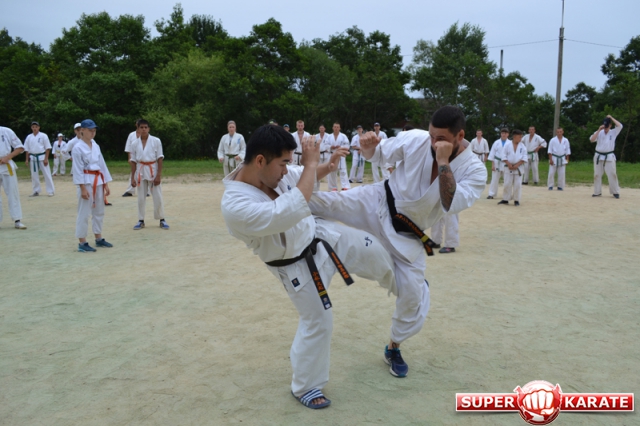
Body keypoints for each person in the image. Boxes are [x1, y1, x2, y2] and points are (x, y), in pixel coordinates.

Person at [220, 125, 396, 409]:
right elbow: (284, 212)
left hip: (320, 237)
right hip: (295, 268)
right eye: (283, 163)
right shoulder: (235, 204)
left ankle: (401, 285)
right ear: (260, 160)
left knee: (373, 250)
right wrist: (312, 163)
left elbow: (301, 177)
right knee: (319, 321)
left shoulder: (272, 173)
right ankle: (305, 386)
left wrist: (327, 166)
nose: (285, 170)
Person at [308, 106, 487, 378]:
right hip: (378, 202)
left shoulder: (474, 170)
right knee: (324, 203)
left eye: (440, 138)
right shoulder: (416, 139)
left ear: (460, 136)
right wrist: (369, 148)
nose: (433, 143)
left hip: (408, 234)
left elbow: (450, 203)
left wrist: (443, 162)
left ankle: (393, 347)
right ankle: (271, 193)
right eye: (431, 135)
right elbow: (379, 155)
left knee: (412, 298)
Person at [71, 119, 113, 252]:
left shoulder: (95, 145)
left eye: (94, 130)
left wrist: (105, 183)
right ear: (82, 130)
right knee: (84, 212)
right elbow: (77, 170)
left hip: (98, 180)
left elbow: (102, 165)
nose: (92, 133)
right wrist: (82, 188)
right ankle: (82, 242)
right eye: (90, 130)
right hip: (86, 181)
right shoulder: (77, 148)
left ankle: (98, 238)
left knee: (99, 211)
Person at [129, 120, 169, 230]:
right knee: (141, 198)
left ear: (149, 129)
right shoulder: (134, 143)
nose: (143, 129)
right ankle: (141, 220)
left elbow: (160, 158)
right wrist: (132, 178)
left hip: (153, 170)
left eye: (145, 127)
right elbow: (133, 161)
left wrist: (158, 175)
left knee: (157, 196)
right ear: (138, 129)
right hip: (140, 170)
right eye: (141, 127)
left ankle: (162, 219)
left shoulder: (156, 141)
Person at [0, 126, 27, 229]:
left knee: (12, 193)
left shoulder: (6, 131)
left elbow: (20, 148)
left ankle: (17, 220)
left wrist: (8, 157)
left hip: (6, 166)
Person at [590, 115, 622, 198]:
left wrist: (611, 118)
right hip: (598, 155)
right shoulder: (599, 132)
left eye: (607, 126)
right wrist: (598, 130)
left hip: (609, 155)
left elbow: (620, 125)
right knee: (597, 174)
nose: (605, 128)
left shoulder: (613, 132)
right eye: (604, 126)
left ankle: (615, 191)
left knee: (612, 174)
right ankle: (597, 192)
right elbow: (592, 140)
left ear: (610, 125)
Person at [23, 121, 55, 197]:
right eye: (33, 127)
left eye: (36, 127)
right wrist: (27, 159)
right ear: (31, 128)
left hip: (42, 157)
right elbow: (27, 149)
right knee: (34, 176)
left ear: (39, 127)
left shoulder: (43, 136)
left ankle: (50, 191)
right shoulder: (29, 137)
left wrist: (46, 159)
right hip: (33, 158)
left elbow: (47, 148)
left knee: (47, 174)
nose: (35, 128)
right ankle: (36, 190)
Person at [498, 129, 527, 206]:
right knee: (507, 183)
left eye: (521, 137)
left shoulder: (522, 146)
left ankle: (516, 200)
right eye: (519, 137)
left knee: (517, 184)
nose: (520, 138)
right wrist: (508, 164)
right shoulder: (507, 145)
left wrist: (517, 164)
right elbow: (503, 155)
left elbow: (524, 157)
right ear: (514, 137)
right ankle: (505, 199)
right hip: (508, 167)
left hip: (518, 167)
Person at [325, 123, 351, 191]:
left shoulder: (343, 136)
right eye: (335, 127)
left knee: (343, 170)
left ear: (339, 128)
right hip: (332, 155)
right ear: (333, 128)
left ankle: (345, 186)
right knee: (332, 171)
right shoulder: (329, 136)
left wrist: (341, 147)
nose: (336, 128)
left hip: (341, 155)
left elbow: (347, 145)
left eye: (337, 127)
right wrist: (331, 147)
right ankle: (333, 187)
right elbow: (325, 145)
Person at [487, 128, 509, 199]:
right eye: (502, 133)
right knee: (494, 179)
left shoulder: (510, 143)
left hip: (506, 163)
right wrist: (493, 165)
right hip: (497, 162)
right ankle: (491, 194)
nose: (503, 135)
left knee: (507, 180)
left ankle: (506, 195)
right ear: (500, 134)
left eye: (505, 133)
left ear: (507, 134)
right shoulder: (496, 142)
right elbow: (492, 154)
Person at [122, 121, 142, 197]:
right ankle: (130, 191)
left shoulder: (145, 134)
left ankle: (147, 190)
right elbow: (128, 147)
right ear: (136, 125)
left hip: (144, 157)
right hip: (134, 156)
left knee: (145, 174)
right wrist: (129, 158)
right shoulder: (132, 135)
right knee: (133, 173)